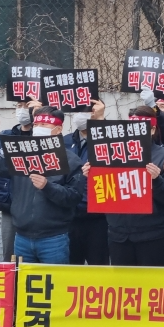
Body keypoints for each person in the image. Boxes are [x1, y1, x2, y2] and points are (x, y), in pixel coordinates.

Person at [0, 107, 87, 327]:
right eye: (37, 121)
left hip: (54, 236)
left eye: (46, 123)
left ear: (58, 129)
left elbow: (73, 198)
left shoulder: (71, 160)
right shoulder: (21, 154)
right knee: (26, 294)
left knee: (56, 292)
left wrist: (48, 186)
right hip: (23, 235)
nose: (39, 127)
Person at [106, 105, 164, 327]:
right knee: (125, 297)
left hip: (154, 235)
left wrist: (158, 179)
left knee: (154, 295)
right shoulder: (112, 153)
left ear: (152, 128)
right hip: (119, 234)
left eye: (142, 127)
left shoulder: (163, 156)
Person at [63, 100, 111, 267]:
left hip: (98, 218)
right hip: (70, 216)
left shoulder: (107, 138)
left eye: (84, 110)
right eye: (76, 110)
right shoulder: (65, 141)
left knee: (98, 269)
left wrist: (100, 122)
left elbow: (112, 149)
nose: (79, 114)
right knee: (70, 268)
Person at [0, 99, 37, 260]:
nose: (23, 110)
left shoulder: (44, 134)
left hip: (35, 206)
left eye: (27, 106)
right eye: (19, 106)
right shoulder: (5, 136)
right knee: (9, 256)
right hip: (9, 205)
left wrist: (39, 115)